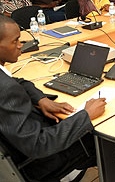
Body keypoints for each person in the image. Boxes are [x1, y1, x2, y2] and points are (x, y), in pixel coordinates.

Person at [0, 15, 106, 181]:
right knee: (102, 139)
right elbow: (38, 145)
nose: (21, 46)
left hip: (25, 142)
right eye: (15, 41)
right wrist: (86, 114)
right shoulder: (5, 90)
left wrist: (41, 100)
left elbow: (18, 82)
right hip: (40, 162)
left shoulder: (4, 80)